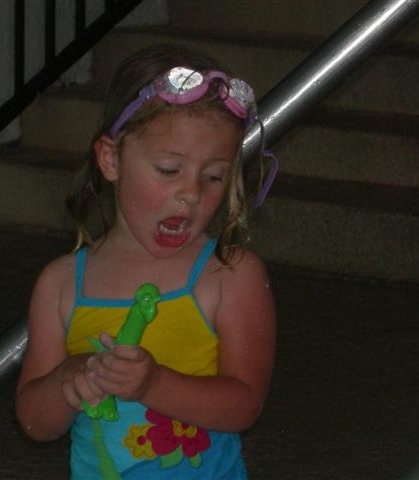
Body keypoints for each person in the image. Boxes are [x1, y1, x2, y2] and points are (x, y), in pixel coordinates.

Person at [16, 44, 276, 479]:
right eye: (170, 169)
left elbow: (244, 405)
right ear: (111, 159)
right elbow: (34, 422)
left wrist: (154, 384)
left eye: (214, 176)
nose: (191, 193)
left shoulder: (229, 275)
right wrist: (68, 379)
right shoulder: (61, 283)